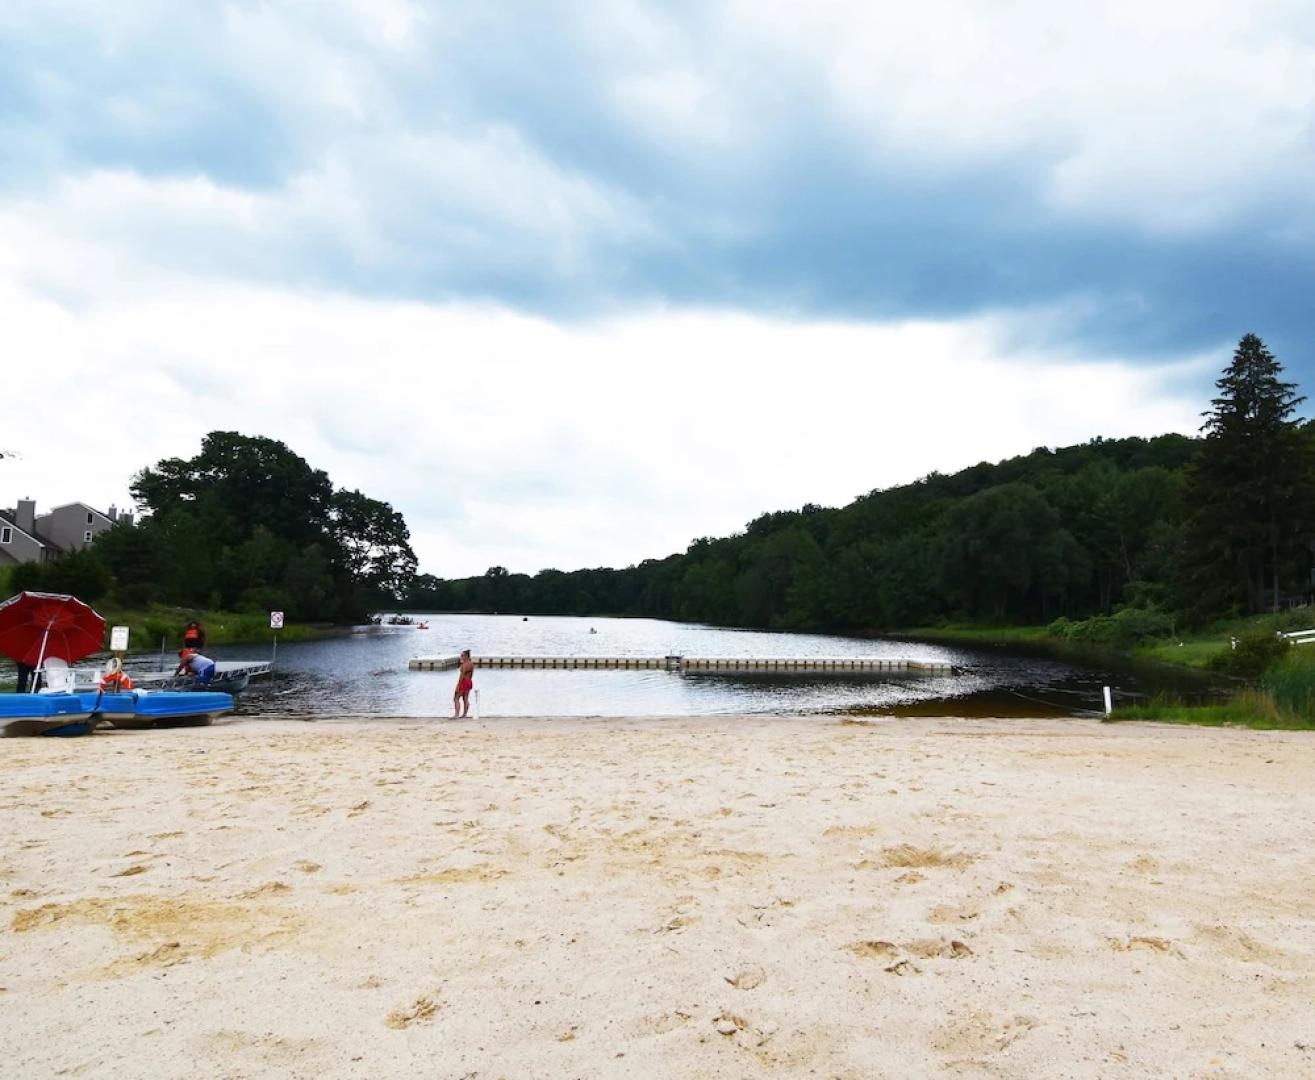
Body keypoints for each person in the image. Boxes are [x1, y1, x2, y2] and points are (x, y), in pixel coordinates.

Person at [453, 649, 474, 718]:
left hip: (464, 681)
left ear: (466, 656)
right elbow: (471, 674)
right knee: (465, 698)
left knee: (456, 698)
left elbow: (462, 675)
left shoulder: (465, 664)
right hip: (469, 681)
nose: (461, 656)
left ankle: (457, 715)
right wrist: (469, 681)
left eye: (462, 655)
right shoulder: (471, 663)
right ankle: (465, 714)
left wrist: (458, 685)